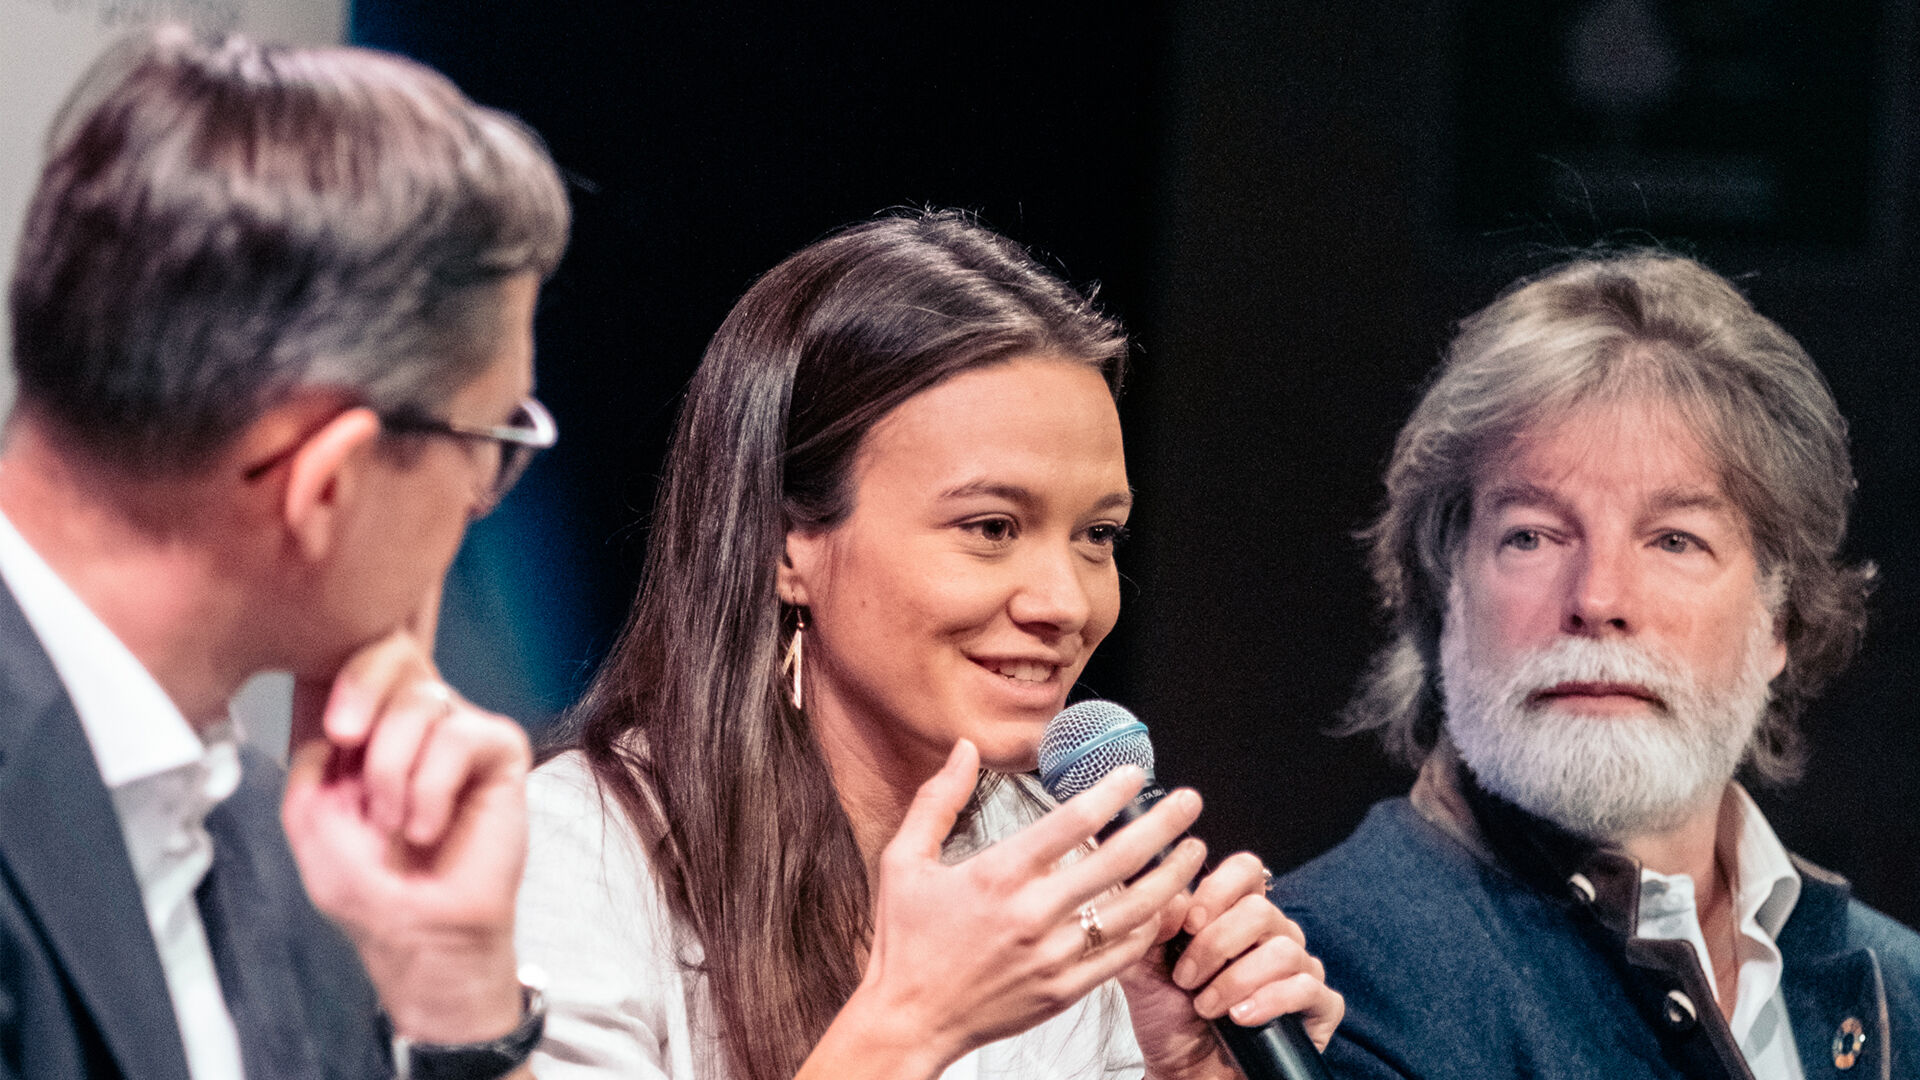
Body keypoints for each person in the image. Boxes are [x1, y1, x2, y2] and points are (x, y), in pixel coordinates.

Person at [515, 211, 1344, 1080]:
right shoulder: (579, 852)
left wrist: (1183, 1075)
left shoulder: (1064, 877)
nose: (1066, 603)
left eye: (1098, 535)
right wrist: (911, 1024)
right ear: (783, 544)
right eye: (991, 527)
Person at [0, 27, 569, 1080]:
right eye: (489, 443)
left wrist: (455, 995)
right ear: (328, 483)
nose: (479, 503)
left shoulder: (272, 840)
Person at [1273, 252, 1920, 1079]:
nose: (1599, 597)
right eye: (1533, 536)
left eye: (1675, 540)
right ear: (1447, 596)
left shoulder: (1898, 990)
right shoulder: (1311, 976)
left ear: (1780, 620)